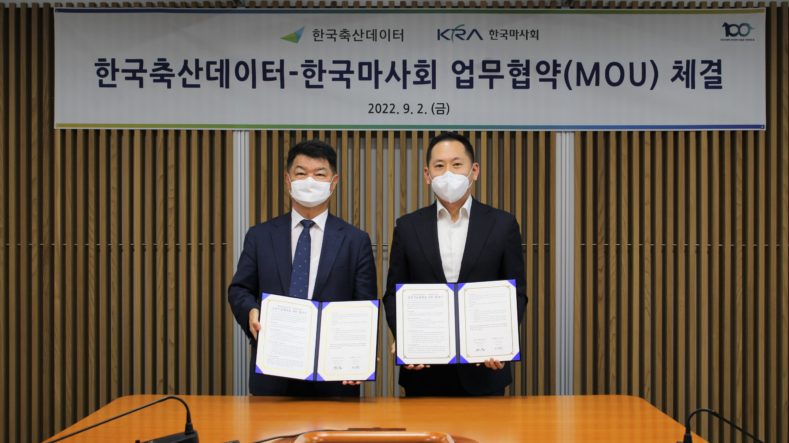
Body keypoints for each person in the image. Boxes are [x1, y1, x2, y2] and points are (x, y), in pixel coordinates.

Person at [382, 131, 527, 396]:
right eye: (439, 166)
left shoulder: (502, 225)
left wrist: (502, 342)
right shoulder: (407, 227)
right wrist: (405, 337)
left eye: (457, 164)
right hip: (424, 373)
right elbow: (393, 293)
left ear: (474, 171)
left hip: (485, 372)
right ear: (427, 175)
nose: (448, 173)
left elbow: (516, 292)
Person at [228, 139, 377, 396]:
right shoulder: (260, 236)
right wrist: (251, 311)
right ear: (288, 181)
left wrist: (360, 353)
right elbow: (239, 289)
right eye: (301, 173)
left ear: (333, 182)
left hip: (334, 381)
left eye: (319, 174)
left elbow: (364, 305)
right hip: (273, 375)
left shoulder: (356, 240)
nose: (310, 181)